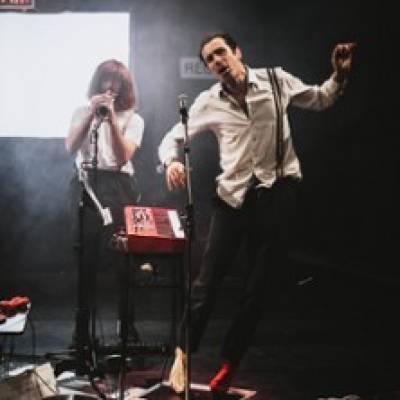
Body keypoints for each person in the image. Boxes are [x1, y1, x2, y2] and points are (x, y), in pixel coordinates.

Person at [158, 33, 355, 395]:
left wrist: (338, 76)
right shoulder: (208, 102)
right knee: (207, 284)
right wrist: (171, 161)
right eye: (210, 60)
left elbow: (320, 98)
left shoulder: (276, 80)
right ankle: (182, 355)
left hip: (278, 193)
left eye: (221, 53)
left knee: (258, 289)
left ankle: (229, 363)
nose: (218, 61)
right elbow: (173, 136)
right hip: (232, 198)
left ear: (237, 52)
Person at [65, 59, 144, 353]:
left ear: (125, 87)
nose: (110, 87)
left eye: (117, 82)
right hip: (85, 184)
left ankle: (127, 328)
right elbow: (70, 147)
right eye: (105, 81)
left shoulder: (134, 119)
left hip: (118, 186)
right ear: (97, 82)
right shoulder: (80, 112)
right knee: (86, 260)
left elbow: (123, 157)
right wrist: (91, 114)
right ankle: (82, 332)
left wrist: (111, 119)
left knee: (123, 260)